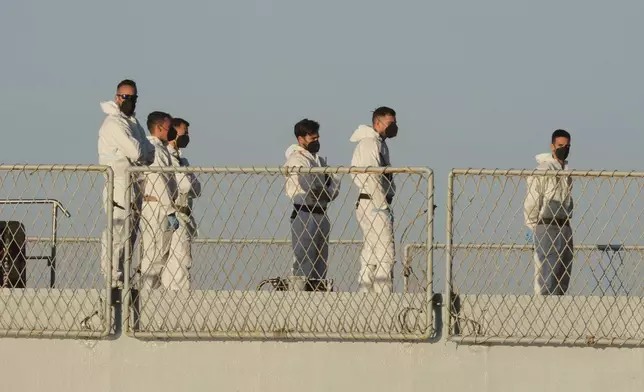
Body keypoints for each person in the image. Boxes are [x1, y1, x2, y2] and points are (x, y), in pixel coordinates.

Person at [98, 79, 154, 288]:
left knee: (130, 237)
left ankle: (121, 280)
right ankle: (112, 279)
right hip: (118, 185)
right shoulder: (113, 123)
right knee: (117, 233)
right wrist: (138, 150)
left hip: (135, 185)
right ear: (117, 97)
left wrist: (138, 150)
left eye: (133, 98)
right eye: (125, 97)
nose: (129, 101)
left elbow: (150, 152)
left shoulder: (133, 123)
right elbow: (138, 151)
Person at [284, 119, 339, 291]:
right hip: (304, 213)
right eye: (312, 139)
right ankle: (299, 297)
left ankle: (317, 295)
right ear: (301, 139)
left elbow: (335, 183)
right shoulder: (296, 159)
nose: (316, 142)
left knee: (320, 261)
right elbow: (308, 186)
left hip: (321, 213)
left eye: (317, 138)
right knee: (304, 258)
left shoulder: (319, 161)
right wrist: (322, 190)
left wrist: (324, 191)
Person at [350, 106, 398, 293]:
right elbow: (372, 175)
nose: (393, 127)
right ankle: (382, 297)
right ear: (377, 123)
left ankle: (366, 295)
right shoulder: (370, 143)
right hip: (374, 201)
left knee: (371, 252)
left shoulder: (379, 143)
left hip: (370, 202)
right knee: (386, 253)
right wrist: (382, 205)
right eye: (390, 124)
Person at [524, 129, 574, 296]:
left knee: (563, 272)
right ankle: (543, 313)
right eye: (560, 145)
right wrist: (532, 226)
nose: (564, 149)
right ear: (552, 146)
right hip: (547, 224)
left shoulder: (566, 171)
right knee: (546, 274)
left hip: (565, 225)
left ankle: (558, 313)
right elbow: (532, 200)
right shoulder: (543, 170)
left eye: (567, 146)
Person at [139, 111, 178, 290]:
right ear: (159, 128)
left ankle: (150, 290)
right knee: (156, 254)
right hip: (158, 206)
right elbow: (159, 181)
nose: (171, 133)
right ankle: (148, 293)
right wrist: (169, 210)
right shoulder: (155, 149)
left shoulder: (156, 148)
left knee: (156, 253)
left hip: (157, 205)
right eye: (169, 128)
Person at [164, 118, 201, 291]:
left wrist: (188, 181)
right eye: (184, 131)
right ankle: (178, 295)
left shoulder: (182, 160)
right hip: (175, 213)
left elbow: (197, 188)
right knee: (179, 259)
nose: (187, 135)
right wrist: (188, 181)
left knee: (182, 259)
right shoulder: (168, 157)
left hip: (186, 213)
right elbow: (186, 185)